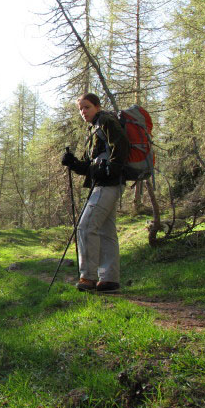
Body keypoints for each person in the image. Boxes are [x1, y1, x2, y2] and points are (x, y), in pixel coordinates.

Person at [61, 93, 129, 292]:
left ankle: (88, 278)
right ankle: (109, 280)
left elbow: (121, 146)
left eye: (87, 107)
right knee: (106, 231)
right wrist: (73, 163)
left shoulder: (106, 121)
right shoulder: (94, 130)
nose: (83, 112)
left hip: (108, 184)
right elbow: (89, 167)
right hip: (105, 183)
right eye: (81, 109)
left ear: (97, 106)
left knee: (86, 226)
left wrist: (111, 169)